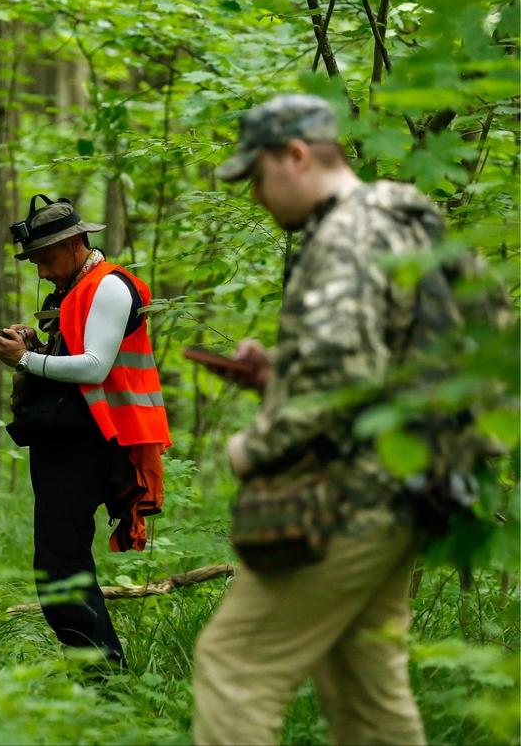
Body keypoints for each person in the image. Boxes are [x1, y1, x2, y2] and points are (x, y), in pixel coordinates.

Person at [192, 94, 431, 744]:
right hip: (407, 488)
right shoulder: (397, 218)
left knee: (234, 666)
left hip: (347, 494)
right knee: (366, 691)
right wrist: (280, 372)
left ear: (295, 156)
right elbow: (376, 359)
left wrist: (253, 446)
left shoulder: (346, 234)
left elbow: (342, 376)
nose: (257, 199)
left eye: (257, 178)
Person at [0, 195, 171, 667]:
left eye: (45, 258)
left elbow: (94, 367)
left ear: (75, 243)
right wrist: (33, 340)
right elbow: (71, 352)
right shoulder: (74, 287)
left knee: (60, 561)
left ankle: (102, 676)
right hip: (66, 437)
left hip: (95, 439)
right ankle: (97, 670)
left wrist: (24, 360)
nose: (41, 271)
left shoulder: (109, 286)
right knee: (58, 558)